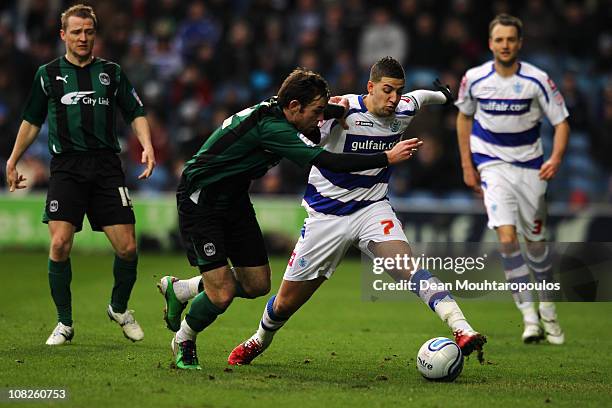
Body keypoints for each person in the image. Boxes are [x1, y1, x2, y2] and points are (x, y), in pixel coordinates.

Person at [161, 57, 486, 369]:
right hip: (323, 217)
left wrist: (445, 94)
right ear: (370, 87)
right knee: (281, 301)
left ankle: (461, 328)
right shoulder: (318, 117)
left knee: (408, 268)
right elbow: (327, 158)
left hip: (371, 209)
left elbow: (422, 97)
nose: (394, 98)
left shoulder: (397, 108)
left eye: (398, 91)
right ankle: (257, 336)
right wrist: (387, 156)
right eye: (387, 90)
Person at [5, 4, 156, 345]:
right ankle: (64, 323)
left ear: (94, 34)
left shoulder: (112, 73)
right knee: (59, 244)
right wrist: (13, 159)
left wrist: (147, 145)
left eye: (88, 31)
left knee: (128, 248)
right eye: (76, 32)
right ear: (63, 35)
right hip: (67, 169)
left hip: (106, 168)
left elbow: (136, 112)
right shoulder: (48, 74)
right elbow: (31, 121)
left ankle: (118, 307)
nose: (83, 37)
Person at [455, 14, 570, 344]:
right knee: (507, 239)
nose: (505, 45)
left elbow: (561, 122)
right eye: (499, 39)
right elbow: (464, 117)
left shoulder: (537, 80)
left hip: (531, 169)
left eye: (510, 39)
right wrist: (467, 163)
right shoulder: (475, 79)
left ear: (519, 43)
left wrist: (557, 158)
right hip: (492, 165)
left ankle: (548, 309)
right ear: (491, 43)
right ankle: (529, 318)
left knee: (535, 244)